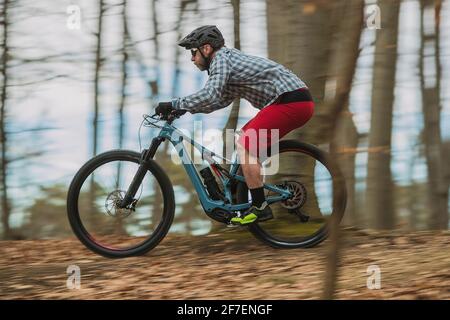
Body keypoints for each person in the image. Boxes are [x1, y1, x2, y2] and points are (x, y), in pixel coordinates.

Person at [155, 25, 315, 225]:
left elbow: (211, 93)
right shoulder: (227, 63)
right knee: (244, 141)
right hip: (291, 101)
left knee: (246, 144)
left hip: (291, 101)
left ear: (206, 49)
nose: (192, 58)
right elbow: (218, 101)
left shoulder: (221, 59)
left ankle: (260, 206)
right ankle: (240, 200)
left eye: (193, 52)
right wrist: (185, 109)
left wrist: (175, 103)